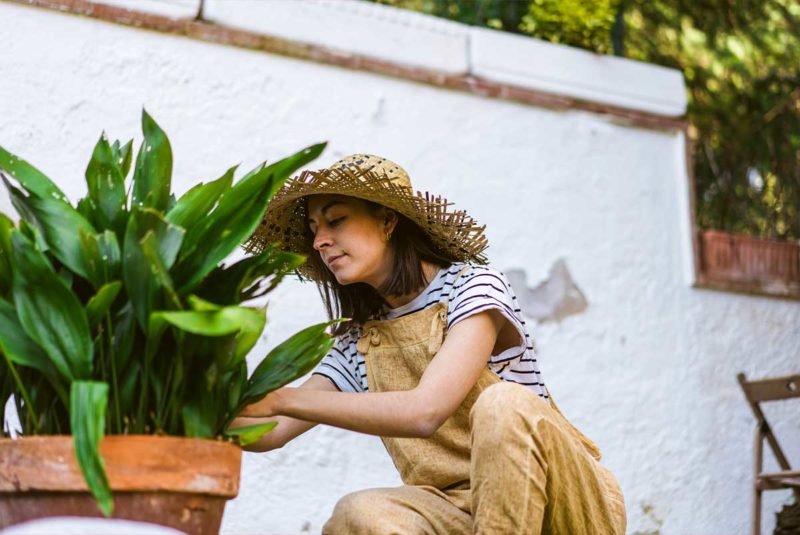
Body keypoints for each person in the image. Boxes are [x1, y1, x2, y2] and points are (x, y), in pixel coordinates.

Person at [234, 154, 626, 534]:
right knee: (359, 514)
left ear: (388, 220)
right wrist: (187, 408)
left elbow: (426, 410)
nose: (320, 240)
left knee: (503, 404)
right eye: (314, 229)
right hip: (458, 513)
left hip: (563, 505)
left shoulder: (471, 287)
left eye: (336, 220)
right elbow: (270, 431)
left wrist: (280, 396)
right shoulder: (359, 340)